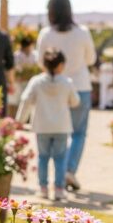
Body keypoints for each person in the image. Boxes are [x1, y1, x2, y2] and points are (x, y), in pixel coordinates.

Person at [37, 0, 97, 192]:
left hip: (53, 89)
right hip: (80, 85)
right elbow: (91, 59)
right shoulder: (82, 32)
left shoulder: (46, 34)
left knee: (55, 134)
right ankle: (69, 170)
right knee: (78, 133)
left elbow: (40, 62)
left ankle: (53, 179)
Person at [16, 48, 80, 201]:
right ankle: (59, 188)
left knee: (43, 157)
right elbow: (75, 101)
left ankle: (43, 188)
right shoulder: (67, 82)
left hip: (42, 126)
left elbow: (26, 100)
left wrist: (19, 120)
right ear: (61, 65)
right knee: (60, 158)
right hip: (61, 127)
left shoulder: (37, 81)